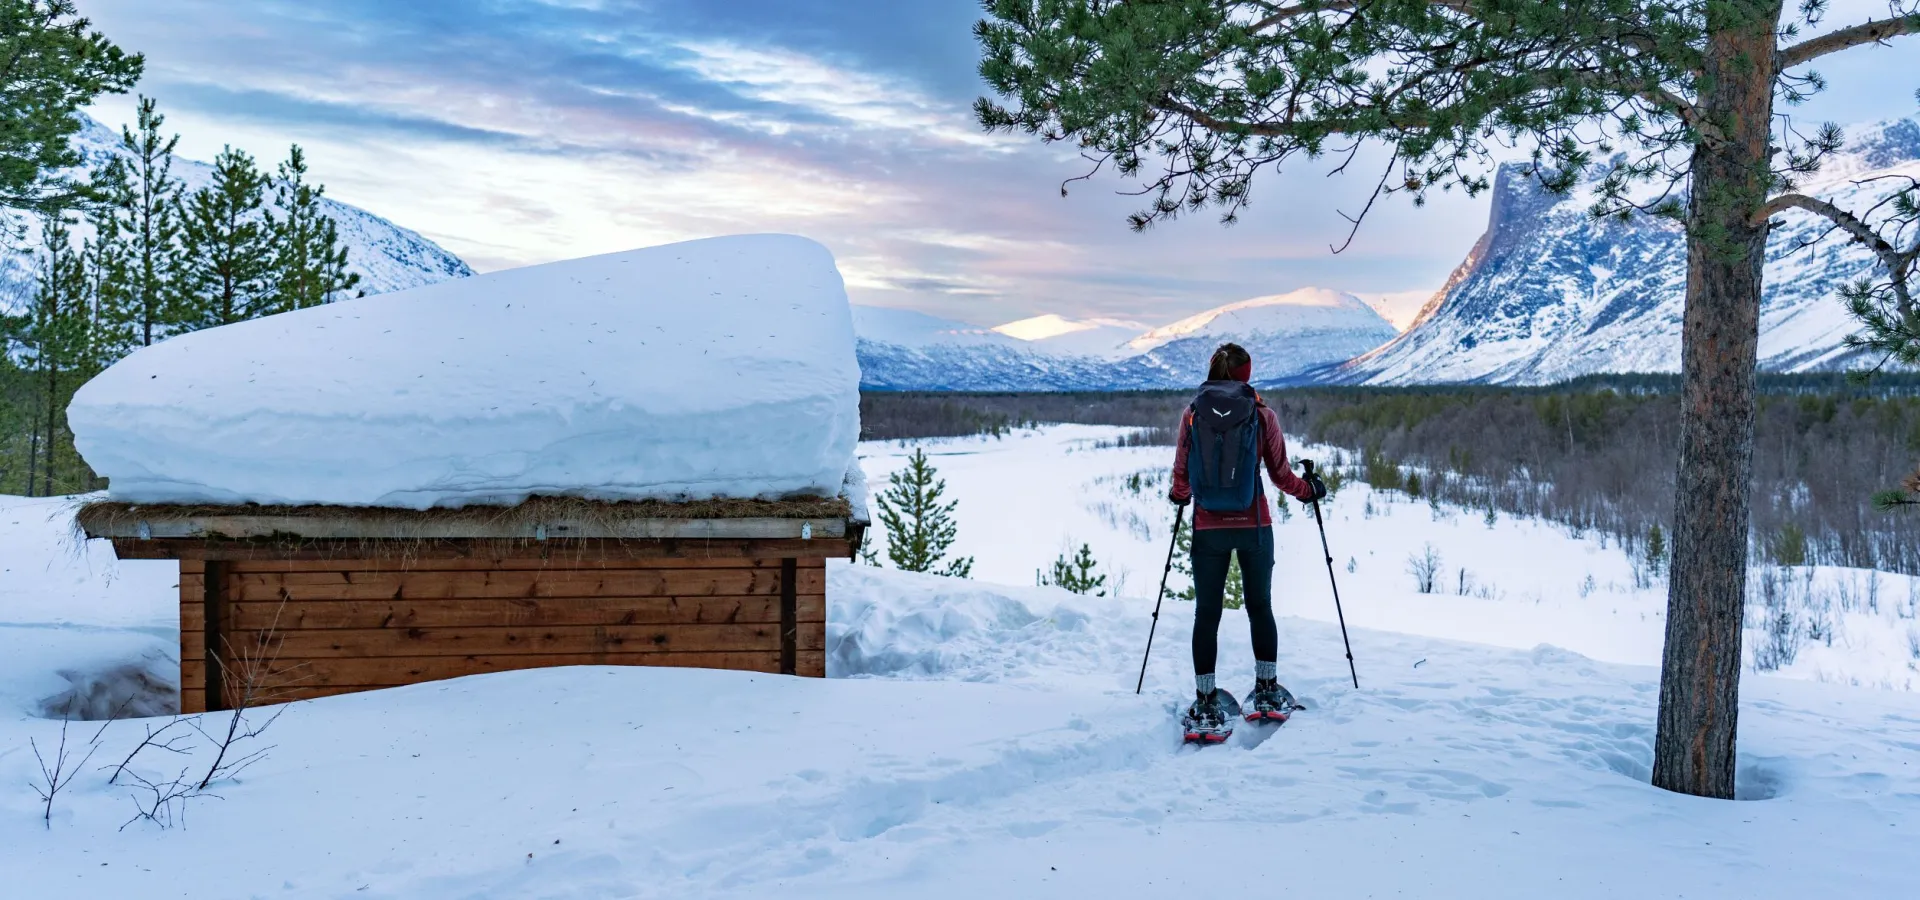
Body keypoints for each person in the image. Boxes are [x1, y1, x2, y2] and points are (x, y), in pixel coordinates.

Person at [1168, 342, 1327, 735]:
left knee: (1207, 613)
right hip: (1254, 525)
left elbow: (1181, 476)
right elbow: (1280, 474)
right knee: (1260, 606)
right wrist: (1310, 491)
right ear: (1246, 375)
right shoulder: (1262, 414)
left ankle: (1205, 700)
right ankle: (1267, 688)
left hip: (1208, 528)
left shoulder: (1191, 415)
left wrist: (1180, 496)